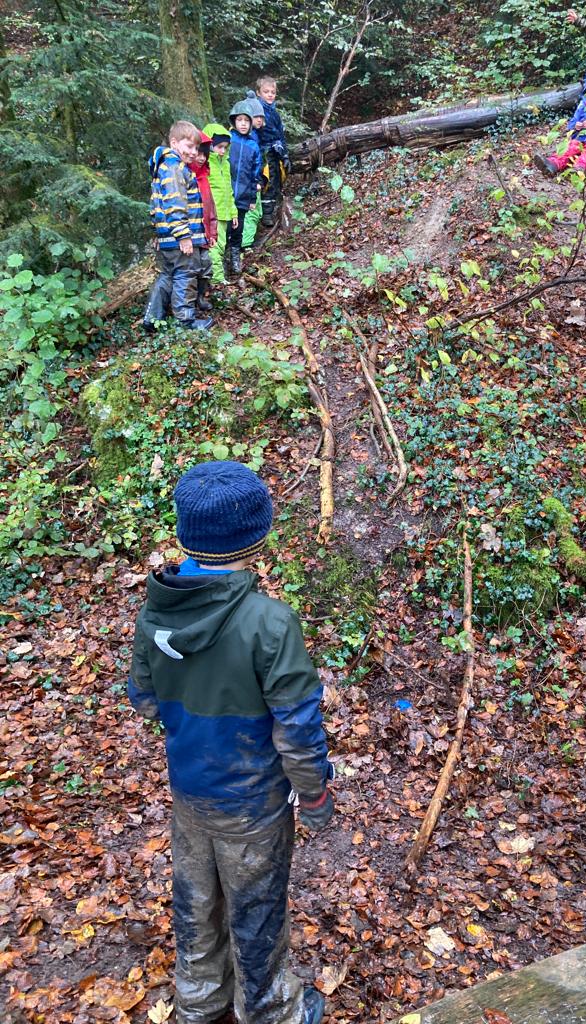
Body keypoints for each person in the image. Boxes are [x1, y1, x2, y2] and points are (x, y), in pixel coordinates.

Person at [128, 460, 333, 1024]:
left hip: (190, 793)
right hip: (252, 806)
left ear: (184, 534)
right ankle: (269, 1010)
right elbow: (296, 727)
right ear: (258, 535)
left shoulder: (156, 609)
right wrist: (314, 797)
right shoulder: (270, 623)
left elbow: (143, 699)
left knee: (195, 903)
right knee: (257, 910)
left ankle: (199, 1000)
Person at [143, 121, 213, 331]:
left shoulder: (164, 167)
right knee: (185, 275)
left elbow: (155, 205)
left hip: (168, 236)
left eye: (196, 148)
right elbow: (175, 204)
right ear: (174, 143)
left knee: (168, 275)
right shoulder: (174, 167)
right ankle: (185, 321)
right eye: (189, 147)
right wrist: (183, 236)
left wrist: (158, 230)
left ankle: (151, 317)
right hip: (180, 237)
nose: (193, 153)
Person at [533, 64, 586, 177]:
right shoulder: (584, 103)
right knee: (570, 147)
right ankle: (552, 164)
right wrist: (575, 125)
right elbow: (573, 121)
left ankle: (579, 168)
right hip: (580, 135)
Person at [228, 101, 263, 276]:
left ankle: (235, 257)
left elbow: (255, 174)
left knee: (238, 228)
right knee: (223, 227)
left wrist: (250, 198)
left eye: (246, 121)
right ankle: (220, 258)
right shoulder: (228, 140)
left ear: (251, 124)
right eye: (239, 120)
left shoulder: (253, 146)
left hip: (242, 194)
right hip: (226, 194)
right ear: (234, 121)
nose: (242, 123)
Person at [203, 122, 239, 285]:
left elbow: (229, 190)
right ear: (210, 145)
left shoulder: (225, 162)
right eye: (219, 147)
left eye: (225, 147)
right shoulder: (205, 164)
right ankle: (217, 278)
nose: (222, 151)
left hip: (224, 213)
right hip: (212, 213)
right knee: (214, 247)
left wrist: (233, 212)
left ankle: (217, 277)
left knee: (221, 245)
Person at [255, 76, 291, 228]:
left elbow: (280, 135)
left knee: (277, 179)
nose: (270, 95)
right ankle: (266, 215)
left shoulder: (274, 113)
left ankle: (272, 209)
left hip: (275, 152)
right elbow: (264, 134)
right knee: (267, 181)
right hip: (264, 153)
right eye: (266, 92)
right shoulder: (258, 111)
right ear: (259, 93)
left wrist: (285, 153)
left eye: (273, 92)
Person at [188, 130, 215, 315]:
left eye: (205, 155)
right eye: (198, 154)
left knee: (206, 265)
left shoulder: (205, 178)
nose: (201, 158)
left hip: (204, 233)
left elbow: (210, 208)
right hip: (188, 235)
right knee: (190, 269)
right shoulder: (184, 176)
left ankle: (201, 297)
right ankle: (188, 305)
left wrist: (212, 232)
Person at [241, 91, 266, 248]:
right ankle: (246, 244)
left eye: (261, 117)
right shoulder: (247, 138)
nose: (260, 120)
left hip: (254, 179)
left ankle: (247, 241)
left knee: (256, 212)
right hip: (249, 183)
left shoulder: (256, 135)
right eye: (257, 117)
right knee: (251, 212)